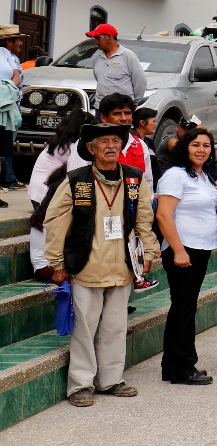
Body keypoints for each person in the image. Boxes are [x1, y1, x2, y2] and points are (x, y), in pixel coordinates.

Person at [43, 124, 160, 406]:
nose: (111, 146)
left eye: (115, 141)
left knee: (116, 327)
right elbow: (56, 222)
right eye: (104, 141)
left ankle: (111, 380)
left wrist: (149, 253)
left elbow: (144, 219)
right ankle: (80, 385)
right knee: (85, 328)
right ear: (91, 149)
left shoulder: (133, 179)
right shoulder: (77, 180)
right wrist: (57, 263)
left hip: (122, 267)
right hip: (87, 267)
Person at [155, 126, 217, 385]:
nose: (201, 150)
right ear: (185, 147)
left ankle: (172, 366)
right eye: (196, 145)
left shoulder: (202, 175)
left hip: (200, 248)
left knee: (184, 307)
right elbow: (163, 215)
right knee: (184, 309)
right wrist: (179, 250)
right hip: (184, 249)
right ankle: (183, 368)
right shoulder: (175, 175)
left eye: (206, 146)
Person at [27, 109, 94, 209]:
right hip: (45, 199)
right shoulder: (73, 148)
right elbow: (81, 179)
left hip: (38, 196)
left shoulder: (60, 143)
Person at [85, 24, 146, 112]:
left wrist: (135, 102)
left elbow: (140, 81)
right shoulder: (96, 57)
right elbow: (99, 79)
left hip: (121, 110)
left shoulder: (128, 56)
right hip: (100, 108)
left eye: (98, 38)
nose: (96, 41)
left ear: (108, 37)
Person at [0, 25, 24, 193]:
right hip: (4, 103)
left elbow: (17, 77)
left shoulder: (7, 55)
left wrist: (7, 90)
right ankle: (8, 179)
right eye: (18, 40)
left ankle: (7, 180)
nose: (20, 43)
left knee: (4, 147)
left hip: (8, 106)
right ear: (9, 42)